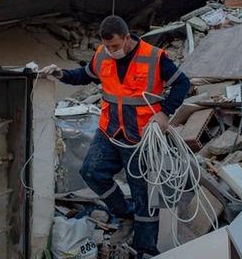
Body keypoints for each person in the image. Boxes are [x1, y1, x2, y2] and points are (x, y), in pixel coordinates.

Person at [40, 16, 191, 258]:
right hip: (110, 130)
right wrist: (61, 74)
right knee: (91, 171)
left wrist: (164, 113)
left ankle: (145, 249)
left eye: (116, 46)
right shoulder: (102, 55)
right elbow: (85, 75)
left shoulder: (154, 57)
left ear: (127, 38)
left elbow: (182, 83)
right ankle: (125, 214)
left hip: (140, 136)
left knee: (143, 195)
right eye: (108, 46)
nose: (112, 51)